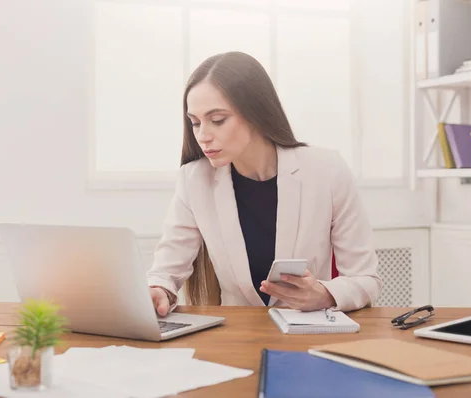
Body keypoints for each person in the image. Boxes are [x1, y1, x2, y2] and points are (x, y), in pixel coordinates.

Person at [147, 51, 382, 317]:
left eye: (217, 120)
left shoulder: (327, 170)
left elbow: (366, 279)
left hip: (309, 334)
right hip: (236, 337)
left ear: (255, 113)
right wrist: (159, 290)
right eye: (195, 123)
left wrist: (324, 294)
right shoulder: (194, 180)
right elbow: (166, 269)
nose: (203, 136)